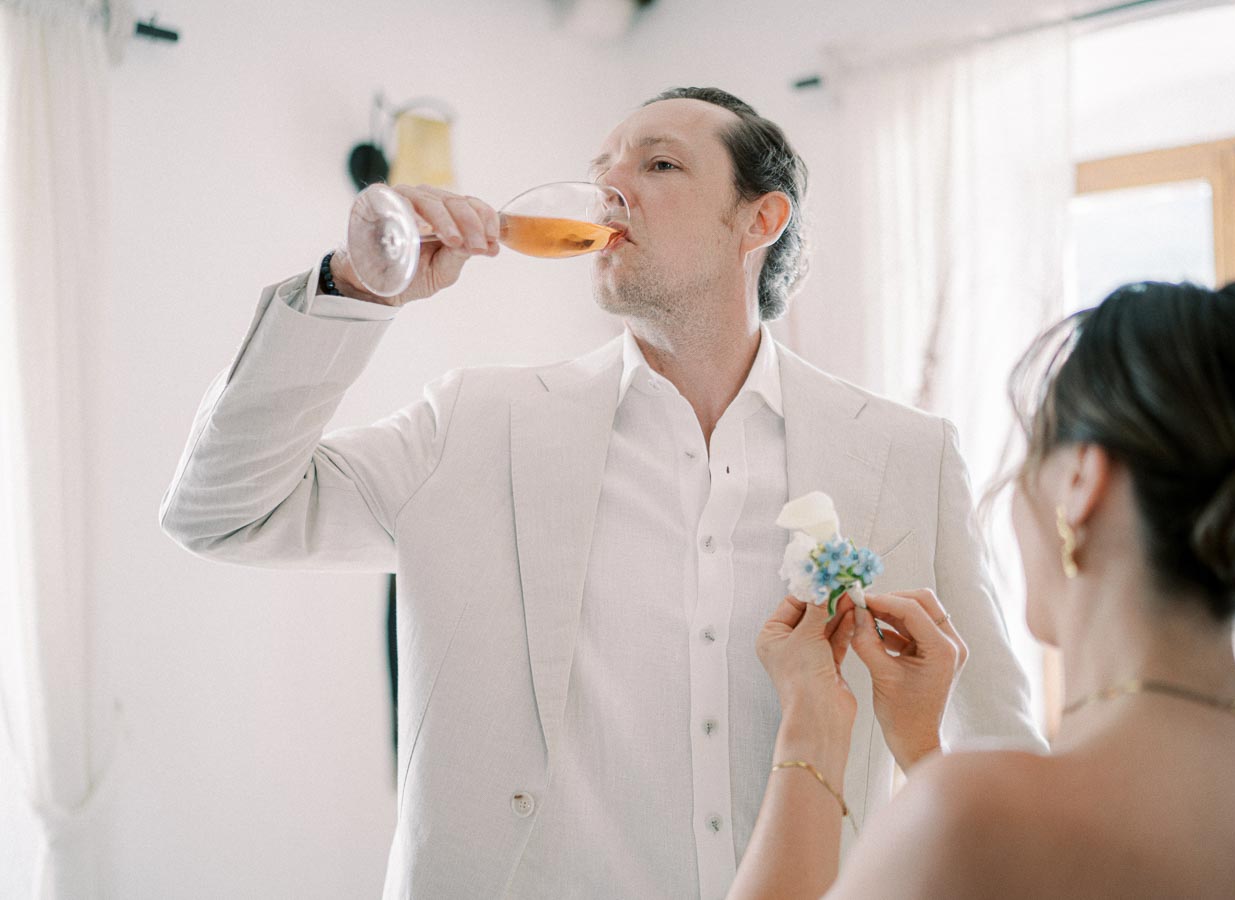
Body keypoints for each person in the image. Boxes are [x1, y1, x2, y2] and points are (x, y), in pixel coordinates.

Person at [160, 87, 1043, 898]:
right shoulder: (475, 425)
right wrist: (355, 290)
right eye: (601, 173)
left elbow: (996, 746)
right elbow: (221, 511)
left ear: (760, 219)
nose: (609, 189)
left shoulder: (905, 454)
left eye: (657, 164)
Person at [729, 280, 1235, 900]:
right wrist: (923, 750)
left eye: (1033, 456)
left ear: (1082, 479)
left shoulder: (963, 818)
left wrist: (811, 727)